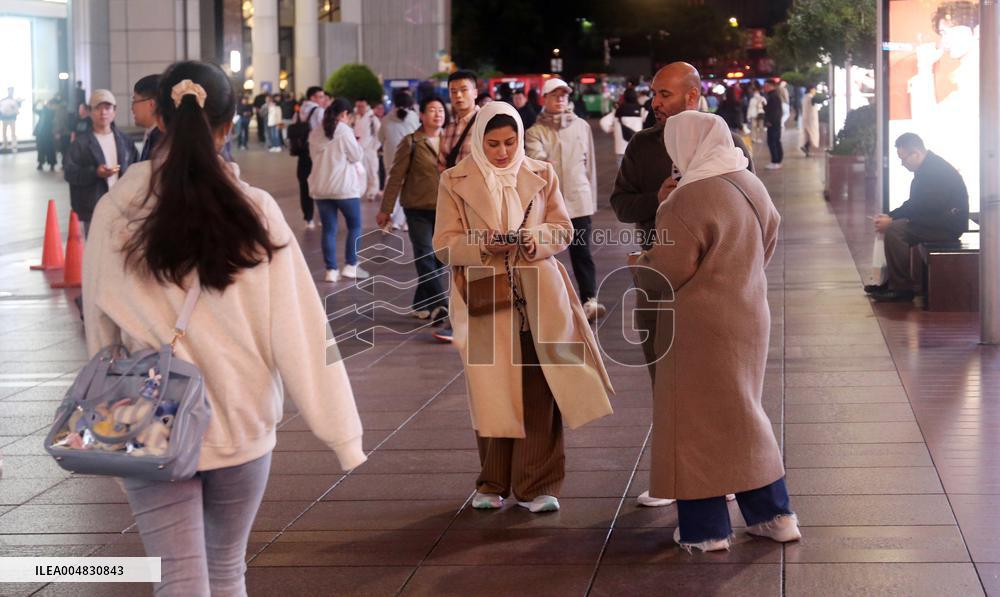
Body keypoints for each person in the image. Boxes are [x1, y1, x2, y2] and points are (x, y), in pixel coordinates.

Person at [80, 61, 365, 595]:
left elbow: (98, 325)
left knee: (178, 579)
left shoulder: (116, 208)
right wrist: (342, 434)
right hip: (239, 416)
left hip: (145, 419)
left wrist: (106, 403)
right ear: (229, 126)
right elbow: (303, 329)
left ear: (158, 120)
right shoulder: (254, 210)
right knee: (227, 568)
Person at [433, 101, 614, 513]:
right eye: (493, 143)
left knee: (540, 390)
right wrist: (482, 244)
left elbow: (564, 228)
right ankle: (492, 481)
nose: (502, 151)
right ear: (479, 141)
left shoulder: (542, 173)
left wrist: (538, 239)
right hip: (483, 295)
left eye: (510, 142)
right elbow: (443, 244)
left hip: (540, 295)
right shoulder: (454, 180)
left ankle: (537, 485)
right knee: (490, 391)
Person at [630, 110, 799, 552]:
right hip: (748, 313)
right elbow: (771, 238)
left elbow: (668, 270)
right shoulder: (749, 182)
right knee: (742, 413)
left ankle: (706, 531)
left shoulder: (688, 198)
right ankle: (774, 515)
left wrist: (639, 264)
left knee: (693, 422)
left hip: (697, 325)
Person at [610, 62, 753, 507]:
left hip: (715, 285)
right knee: (666, 378)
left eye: (665, 95)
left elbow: (753, 214)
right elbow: (619, 203)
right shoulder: (643, 144)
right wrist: (656, 199)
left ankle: (724, 473)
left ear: (692, 97)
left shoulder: (724, 142)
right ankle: (674, 476)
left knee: (721, 381)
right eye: (654, 93)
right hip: (659, 275)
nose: (655, 103)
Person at [526, 78, 606, 321]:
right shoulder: (534, 131)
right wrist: (543, 163)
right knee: (544, 254)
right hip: (548, 205)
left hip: (578, 199)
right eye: (555, 95)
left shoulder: (581, 126)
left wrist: (590, 199)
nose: (560, 99)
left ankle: (589, 299)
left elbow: (589, 164)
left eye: (564, 94)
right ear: (545, 99)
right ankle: (546, 303)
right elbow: (536, 161)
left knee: (581, 252)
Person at [868, 133, 970, 302]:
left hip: (947, 226)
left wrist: (892, 220)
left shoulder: (935, 170)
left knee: (895, 231)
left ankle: (902, 288)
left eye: (903, 159)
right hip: (936, 221)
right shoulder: (927, 167)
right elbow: (916, 203)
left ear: (916, 153)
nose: (902, 164)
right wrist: (891, 216)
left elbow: (926, 206)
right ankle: (891, 281)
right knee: (894, 226)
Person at [377, 97, 450, 322]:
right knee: (425, 254)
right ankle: (441, 304)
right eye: (431, 110)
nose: (437, 114)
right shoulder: (412, 141)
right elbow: (396, 176)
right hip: (417, 208)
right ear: (421, 115)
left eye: (440, 110)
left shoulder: (451, 141)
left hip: (447, 209)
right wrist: (386, 209)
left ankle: (421, 302)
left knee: (439, 258)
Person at [434, 69, 482, 344]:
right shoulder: (449, 129)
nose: (459, 95)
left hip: (480, 205)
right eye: (454, 91)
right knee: (459, 264)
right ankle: (461, 319)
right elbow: (442, 166)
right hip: (456, 205)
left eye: (464, 90)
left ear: (475, 92)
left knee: (478, 263)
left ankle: (471, 319)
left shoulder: (485, 124)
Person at [308, 98, 369, 283]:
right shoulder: (344, 130)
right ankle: (351, 265)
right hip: (344, 189)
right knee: (355, 226)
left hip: (321, 188)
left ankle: (330, 271)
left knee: (328, 229)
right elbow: (356, 155)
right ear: (345, 114)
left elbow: (313, 158)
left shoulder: (315, 132)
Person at [64, 90, 137, 237]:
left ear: (114, 111)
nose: (103, 112)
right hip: (94, 208)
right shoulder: (81, 144)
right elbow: (69, 172)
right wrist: (94, 172)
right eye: (98, 108)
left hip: (123, 207)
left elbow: (135, 170)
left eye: (107, 108)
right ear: (90, 112)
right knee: (96, 253)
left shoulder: (125, 141)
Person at [377, 90, 420, 231]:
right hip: (410, 158)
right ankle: (403, 221)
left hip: (391, 159)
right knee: (406, 190)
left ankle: (393, 220)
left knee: (392, 189)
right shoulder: (414, 117)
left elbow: (380, 138)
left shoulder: (386, 119)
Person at [293, 86, 328, 228]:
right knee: (320, 183)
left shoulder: (299, 111)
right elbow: (326, 131)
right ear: (312, 97)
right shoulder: (319, 112)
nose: (323, 99)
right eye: (320, 96)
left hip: (301, 152)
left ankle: (308, 218)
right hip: (316, 153)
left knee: (304, 184)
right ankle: (322, 215)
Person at [599, 88, 643, 168]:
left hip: (621, 148)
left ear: (624, 97)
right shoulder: (640, 109)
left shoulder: (618, 110)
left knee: (622, 174)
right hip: (636, 147)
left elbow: (603, 122)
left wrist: (613, 129)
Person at [352, 98, 381, 201]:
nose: (360, 108)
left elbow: (379, 134)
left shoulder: (372, 119)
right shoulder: (354, 118)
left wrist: (374, 147)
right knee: (358, 172)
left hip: (370, 150)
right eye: (358, 106)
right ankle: (359, 191)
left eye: (362, 106)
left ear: (366, 106)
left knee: (372, 172)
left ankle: (372, 193)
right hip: (357, 150)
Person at [132, 74, 162, 162]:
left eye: (135, 101)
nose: (132, 108)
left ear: (151, 104)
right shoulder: (152, 134)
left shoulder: (162, 139)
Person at [763, 80, 784, 169]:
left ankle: (775, 161)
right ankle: (777, 160)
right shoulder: (773, 95)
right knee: (776, 141)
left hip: (773, 123)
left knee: (772, 142)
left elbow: (775, 111)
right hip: (776, 122)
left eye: (766, 86)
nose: (765, 88)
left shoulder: (773, 96)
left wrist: (770, 121)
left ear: (771, 86)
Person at [33, 98, 58, 171]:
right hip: (40, 133)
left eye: (48, 104)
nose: (47, 105)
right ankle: (40, 163)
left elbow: (50, 113)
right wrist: (36, 103)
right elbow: (34, 110)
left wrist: (44, 105)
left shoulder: (52, 112)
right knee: (40, 148)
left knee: (50, 149)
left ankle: (52, 164)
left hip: (49, 133)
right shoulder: (43, 111)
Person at [799, 85, 820, 157]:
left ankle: (806, 149)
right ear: (811, 89)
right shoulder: (810, 97)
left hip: (806, 117)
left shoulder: (804, 97)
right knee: (811, 133)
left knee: (807, 134)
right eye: (814, 90)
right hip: (811, 118)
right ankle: (805, 146)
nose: (815, 91)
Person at [0, 87, 22, 153]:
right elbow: (1, 107)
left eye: (12, 91)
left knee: (13, 132)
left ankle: (14, 145)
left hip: (12, 117)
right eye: (10, 91)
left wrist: (18, 104)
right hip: (4, 117)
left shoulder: (15, 100)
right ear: (8, 91)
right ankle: (5, 144)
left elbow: (18, 108)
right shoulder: (3, 100)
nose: (11, 92)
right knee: (4, 132)